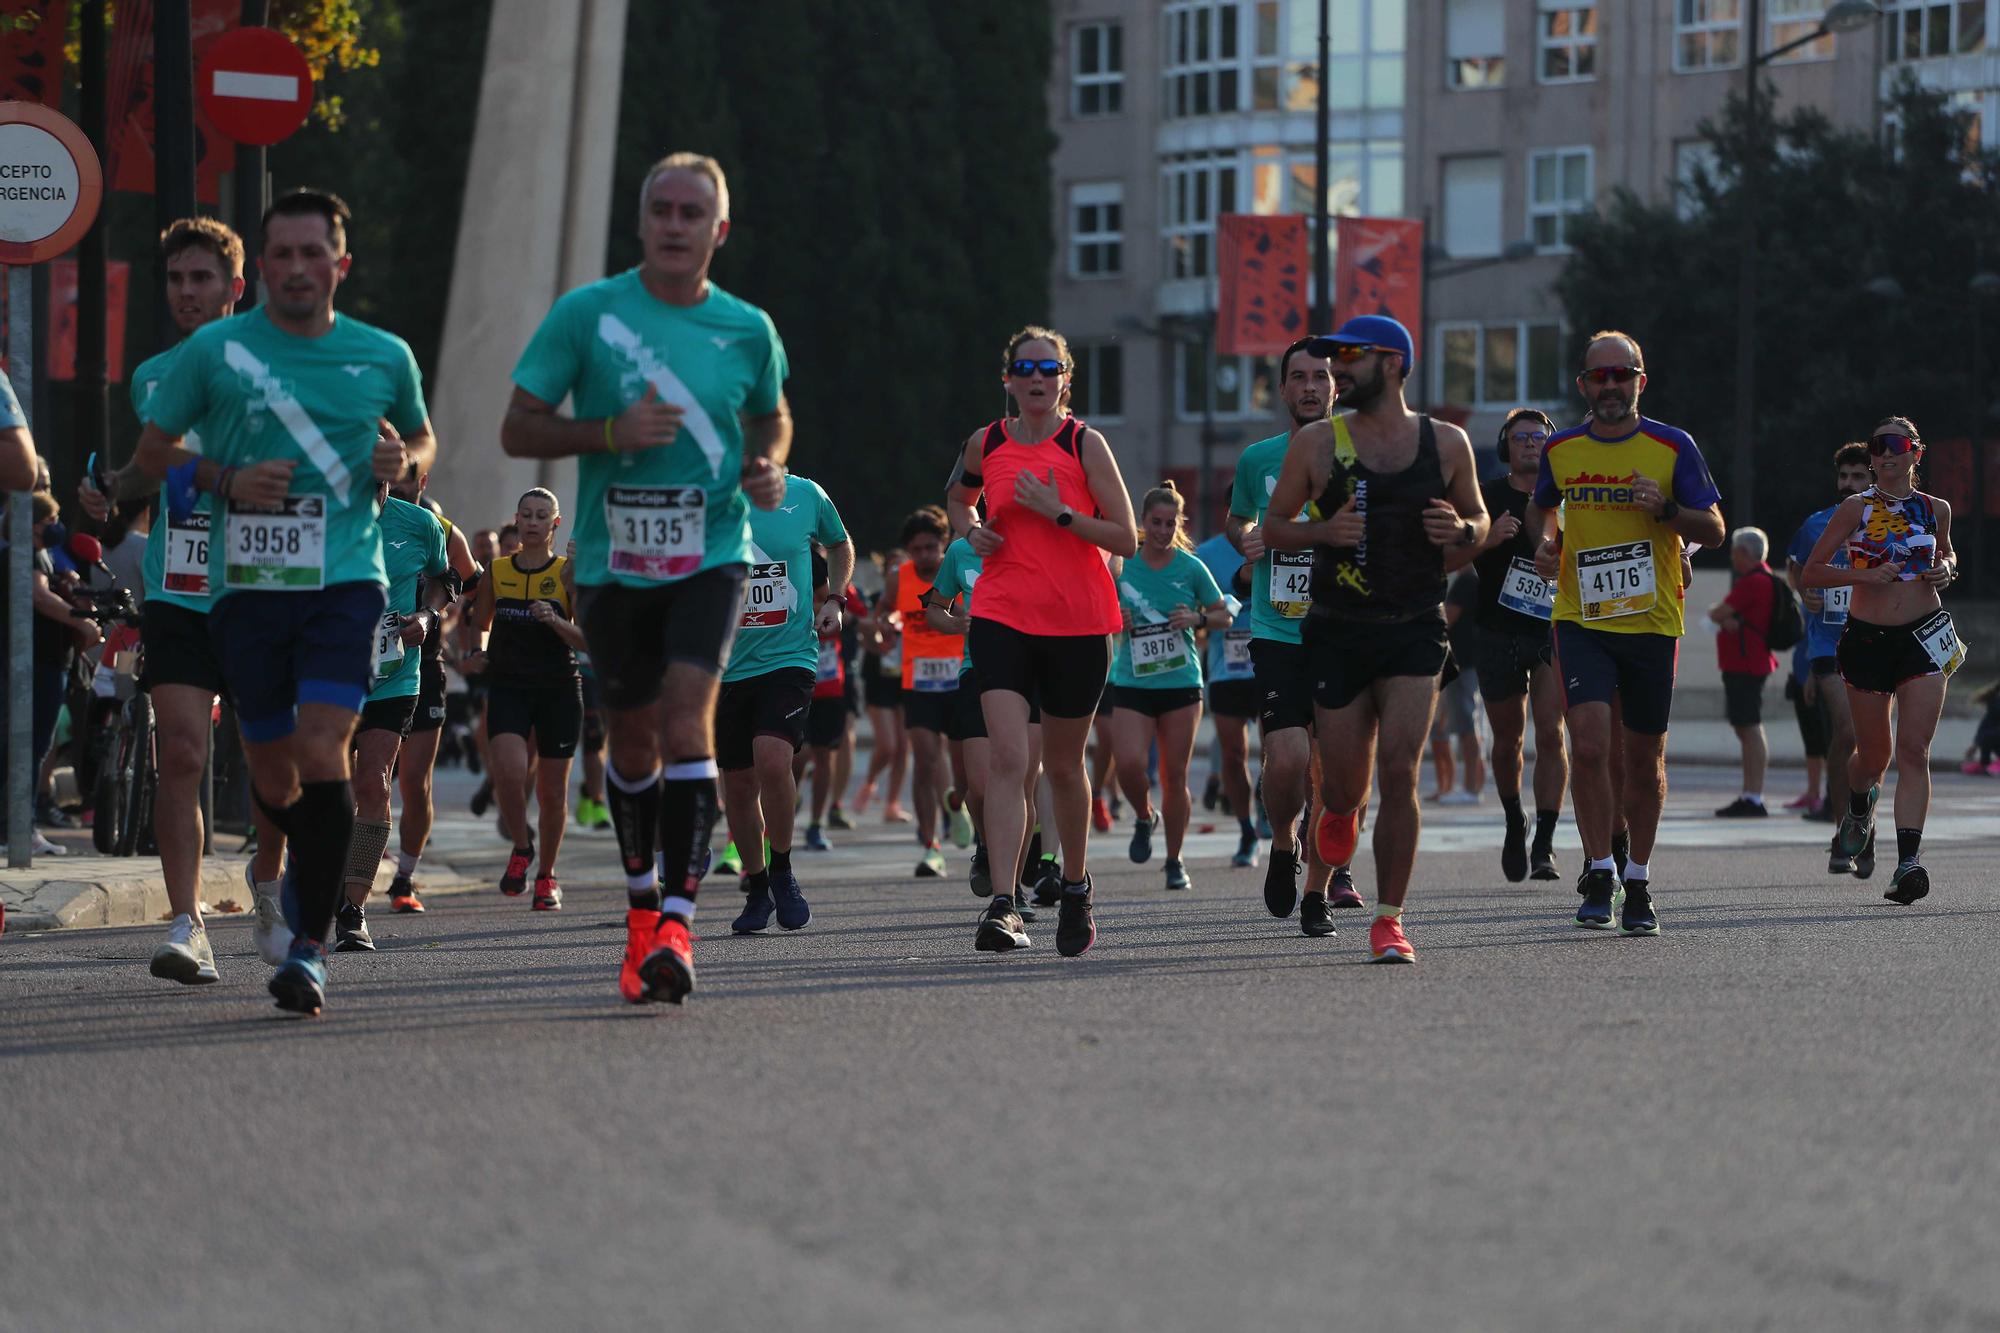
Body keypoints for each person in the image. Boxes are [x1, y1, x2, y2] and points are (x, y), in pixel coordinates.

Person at [134, 188, 439, 1015]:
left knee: (322, 746)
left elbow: (420, 436)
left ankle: (309, 945)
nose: (300, 268)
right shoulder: (214, 354)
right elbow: (154, 451)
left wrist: (398, 458)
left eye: (317, 254)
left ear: (340, 265)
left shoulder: (382, 353)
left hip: (344, 579)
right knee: (270, 767)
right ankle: (270, 874)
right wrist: (227, 479)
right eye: (285, 255)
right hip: (245, 589)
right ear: (262, 269)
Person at [502, 151, 790, 1004]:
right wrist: (607, 434)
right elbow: (518, 428)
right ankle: (638, 915)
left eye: (690, 213)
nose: (674, 224)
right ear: (642, 222)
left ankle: (677, 920)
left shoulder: (746, 327)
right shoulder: (588, 315)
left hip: (712, 554)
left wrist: (768, 464)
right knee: (630, 743)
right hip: (614, 561)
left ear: (718, 230)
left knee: (687, 721)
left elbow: (771, 416)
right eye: (660, 209)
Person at [76, 217, 293, 976]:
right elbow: (159, 477)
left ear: (237, 287)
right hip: (181, 585)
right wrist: (113, 500)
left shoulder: (281, 366)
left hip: (265, 584)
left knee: (274, 763)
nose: (187, 292)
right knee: (181, 751)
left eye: (202, 279)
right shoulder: (153, 377)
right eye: (175, 279)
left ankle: (268, 881)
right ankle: (186, 922)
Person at [1265, 315, 1487, 964]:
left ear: (1392, 363)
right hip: (1337, 631)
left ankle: (1390, 919)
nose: (1337, 369)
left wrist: (1462, 528)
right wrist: (1321, 533)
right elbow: (1274, 527)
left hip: (1416, 627)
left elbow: (1477, 522)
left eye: (1349, 357)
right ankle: (1335, 819)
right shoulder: (1316, 444)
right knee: (1342, 790)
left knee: (1401, 770)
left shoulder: (1446, 444)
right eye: (1332, 358)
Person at [1523, 331, 1726, 936]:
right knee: (1586, 746)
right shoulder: (1561, 451)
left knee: (1643, 761)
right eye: (1598, 376)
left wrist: (1666, 509)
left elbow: (1713, 528)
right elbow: (1543, 505)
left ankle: (1638, 876)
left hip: (1651, 620)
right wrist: (1546, 541)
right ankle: (1601, 868)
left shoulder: (1672, 446)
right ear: (1583, 385)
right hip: (1580, 618)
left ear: (1641, 381)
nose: (1609, 386)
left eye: (1621, 375)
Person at [947, 325, 1137, 956]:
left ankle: (1077, 886)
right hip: (1001, 614)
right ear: (1008, 378)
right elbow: (958, 493)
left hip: (1078, 620)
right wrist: (970, 531)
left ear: (1064, 381)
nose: (1036, 378)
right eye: (1025, 368)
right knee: (1007, 759)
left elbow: (1126, 538)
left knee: (1060, 765)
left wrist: (1059, 512)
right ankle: (1004, 905)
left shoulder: (1085, 444)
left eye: (1048, 369)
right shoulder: (987, 441)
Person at [1227, 336, 1361, 936]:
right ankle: (1283, 842)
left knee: (1338, 772)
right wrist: (1246, 538)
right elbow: (1237, 519)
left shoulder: (1364, 455)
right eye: (1299, 377)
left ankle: (1318, 891)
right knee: (1287, 759)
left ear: (1337, 388)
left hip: (1346, 629)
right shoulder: (1259, 459)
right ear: (1282, 389)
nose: (1310, 386)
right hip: (1278, 628)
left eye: (1321, 377)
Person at [1801, 416, 1963, 904]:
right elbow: (1812, 573)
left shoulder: (1937, 509)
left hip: (1924, 636)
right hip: (1868, 639)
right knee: (1875, 757)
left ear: (1917, 452)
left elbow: (1950, 555)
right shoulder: (1856, 508)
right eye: (1877, 445)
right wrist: (1863, 578)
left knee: (1915, 750)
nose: (1886, 453)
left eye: (1896, 444)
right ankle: (1856, 809)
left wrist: (1946, 570)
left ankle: (1908, 863)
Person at [720, 471, 851, 933]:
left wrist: (835, 599)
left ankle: (783, 870)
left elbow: (839, 543)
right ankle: (757, 887)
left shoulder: (805, 493)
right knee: (736, 786)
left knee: (773, 761)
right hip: (725, 664)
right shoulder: (707, 492)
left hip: (789, 656)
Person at [1445, 408, 1566, 879]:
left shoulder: (1567, 499)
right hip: (1496, 631)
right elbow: (1450, 556)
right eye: (1520, 438)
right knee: (1508, 740)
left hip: (1553, 631)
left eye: (1538, 437)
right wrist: (1487, 538)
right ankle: (1515, 818)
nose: (1530, 444)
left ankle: (1547, 843)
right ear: (1505, 447)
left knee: (1552, 734)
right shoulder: (1487, 497)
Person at [335, 478, 449, 949]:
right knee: (325, 788)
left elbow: (447, 578)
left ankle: (353, 908)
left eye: (382, 471)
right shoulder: (322, 515)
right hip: (330, 673)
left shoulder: (420, 522)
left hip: (395, 674)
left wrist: (427, 617)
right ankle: (311, 879)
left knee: (375, 780)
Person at [463, 489, 587, 909]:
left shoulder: (567, 572)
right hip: (508, 686)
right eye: (526, 515)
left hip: (558, 688)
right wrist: (474, 653)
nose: (532, 523)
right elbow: (480, 623)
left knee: (552, 792)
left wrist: (555, 620)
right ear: (517, 520)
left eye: (541, 516)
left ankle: (547, 877)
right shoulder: (497, 570)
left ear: (554, 524)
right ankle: (521, 846)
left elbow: (586, 640)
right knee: (510, 773)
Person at [1110, 482, 1230, 891]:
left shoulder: (1190, 567)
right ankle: (1145, 816)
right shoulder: (1123, 565)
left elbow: (1223, 616)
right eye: (1154, 523)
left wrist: (1196, 620)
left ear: (1179, 523)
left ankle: (1175, 860)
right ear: (1142, 523)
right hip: (1132, 679)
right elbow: (1098, 613)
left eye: (1169, 523)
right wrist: (1116, 622)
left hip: (1180, 681)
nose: (1162, 530)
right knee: (1128, 763)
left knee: (1174, 775)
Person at [383, 486, 479, 912]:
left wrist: (449, 620)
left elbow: (470, 584)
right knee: (367, 777)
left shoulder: (435, 525)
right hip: (372, 662)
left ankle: (404, 877)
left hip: (426, 666)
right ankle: (354, 858)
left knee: (415, 782)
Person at [1786, 443, 1873, 869]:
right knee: (1847, 733)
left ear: (1873, 479)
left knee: (1874, 745)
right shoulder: (1816, 524)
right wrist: (1806, 593)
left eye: (1858, 477)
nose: (1849, 485)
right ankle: (1845, 831)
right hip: (1827, 646)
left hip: (1876, 643)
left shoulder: (1887, 525)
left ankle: (1861, 820)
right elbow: (1795, 567)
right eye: (1844, 477)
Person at [875, 506, 968, 877]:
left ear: (944, 543)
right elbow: (883, 611)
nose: (925, 556)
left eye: (932, 547)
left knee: (963, 771)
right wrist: (883, 628)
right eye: (917, 550)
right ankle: (931, 845)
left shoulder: (958, 569)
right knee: (926, 759)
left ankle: (958, 806)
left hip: (960, 678)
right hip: (919, 683)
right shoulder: (901, 577)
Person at [1191, 528, 1259, 868]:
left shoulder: (1281, 541)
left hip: (1274, 661)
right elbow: (1194, 613)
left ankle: (1267, 799)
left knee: (1282, 751)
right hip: (1226, 667)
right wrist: (1205, 619)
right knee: (1233, 754)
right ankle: (1247, 831)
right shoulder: (1205, 555)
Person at [1708, 527, 1782, 817]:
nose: (1732, 557)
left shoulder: (1753, 581)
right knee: (1745, 727)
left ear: (1744, 553)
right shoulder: (1760, 579)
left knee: (1749, 728)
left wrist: (1722, 614)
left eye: (1735, 551)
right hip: (1747, 662)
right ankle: (1750, 793)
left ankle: (1753, 795)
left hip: (1746, 663)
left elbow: (1717, 613)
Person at [802, 575, 866, 849]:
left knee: (824, 756)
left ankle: (816, 823)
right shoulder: (795, 580)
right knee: (795, 757)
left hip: (830, 686)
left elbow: (862, 618)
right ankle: (781, 812)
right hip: (796, 684)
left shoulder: (840, 588)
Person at [1430, 568, 1485, 805]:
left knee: (1467, 726)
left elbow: (1448, 616)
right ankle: (1460, 787)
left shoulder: (1467, 579)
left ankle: (1471, 789)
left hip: (1464, 663)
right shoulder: (1468, 579)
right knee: (1457, 726)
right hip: (1461, 662)